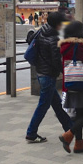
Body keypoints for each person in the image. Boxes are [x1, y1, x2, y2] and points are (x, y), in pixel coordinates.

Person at [26, 12, 73, 143]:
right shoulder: (53, 39)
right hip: (48, 76)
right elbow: (56, 61)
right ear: (57, 24)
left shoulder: (42, 31)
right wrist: (65, 73)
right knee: (43, 106)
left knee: (57, 104)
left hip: (41, 73)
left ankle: (70, 128)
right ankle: (31, 133)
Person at [58, 21, 83, 154]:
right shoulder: (79, 46)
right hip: (82, 84)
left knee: (79, 113)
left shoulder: (64, 46)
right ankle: (68, 135)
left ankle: (79, 144)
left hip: (70, 83)